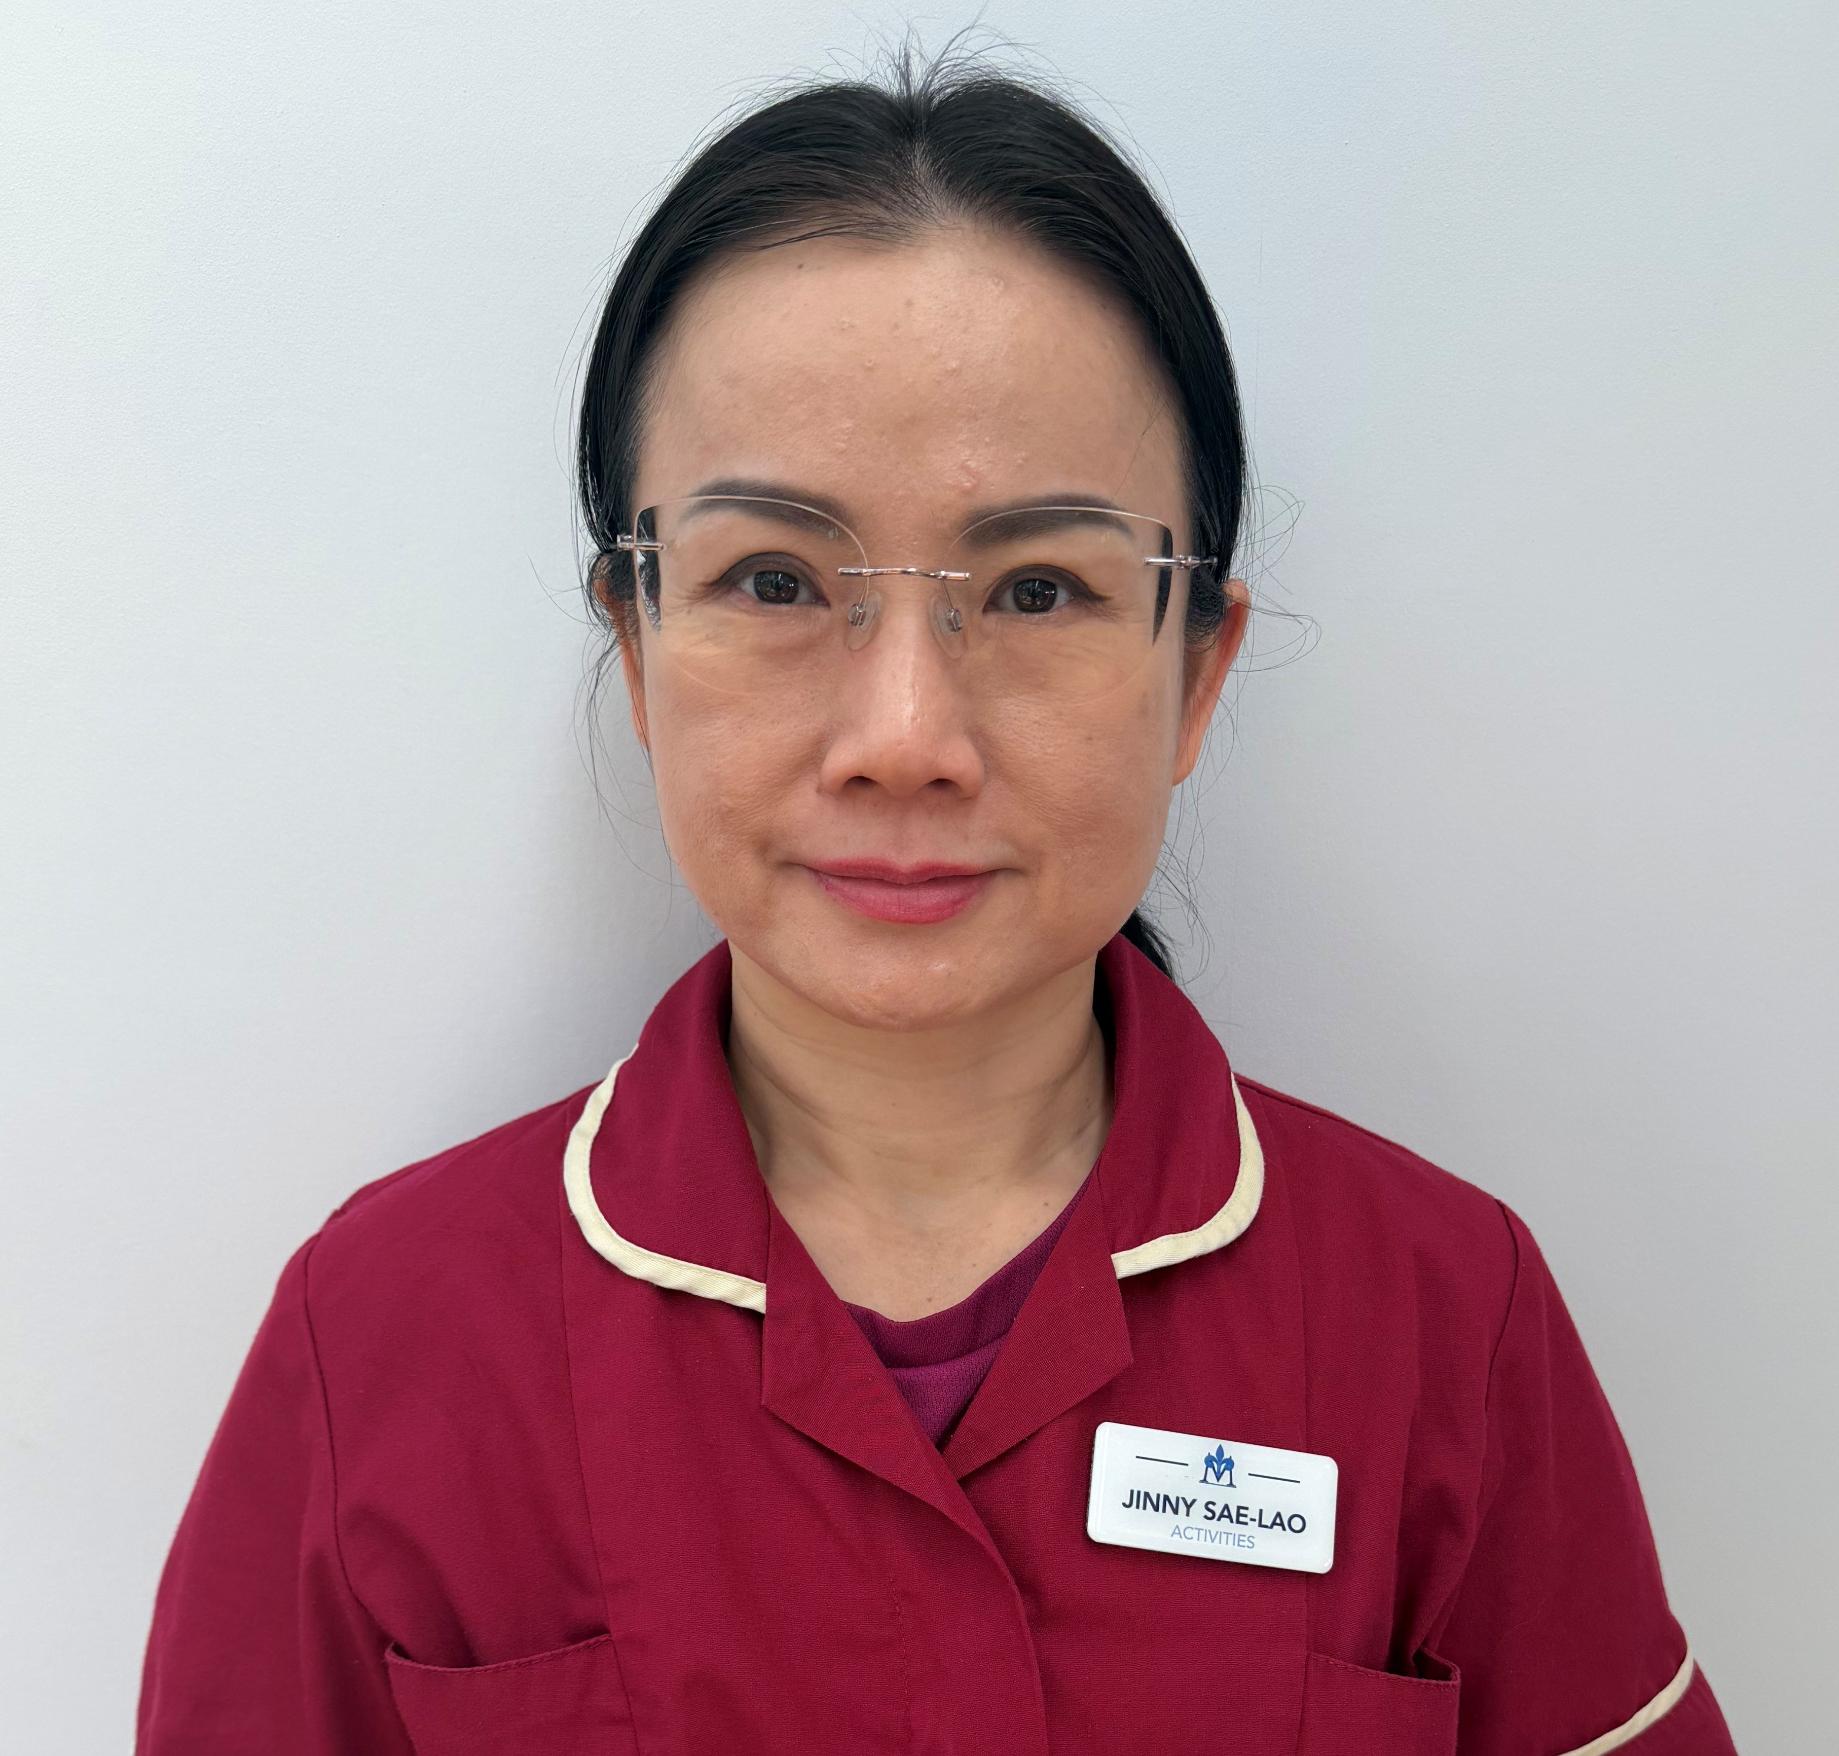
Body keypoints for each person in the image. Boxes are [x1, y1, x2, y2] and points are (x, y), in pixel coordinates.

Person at [136, 36, 1741, 1756]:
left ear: (1198, 673)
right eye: (771, 577)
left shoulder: (1441, 1316)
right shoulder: (380, 1335)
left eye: (1041, 589)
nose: (905, 738)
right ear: (636, 642)